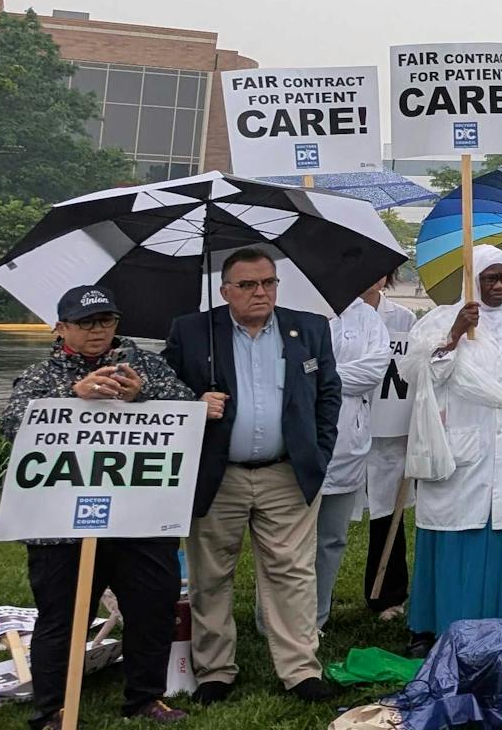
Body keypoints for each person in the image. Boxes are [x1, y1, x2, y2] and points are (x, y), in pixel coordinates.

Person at [7, 287, 195, 726]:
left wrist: (141, 397)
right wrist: (72, 395)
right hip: (61, 524)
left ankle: (146, 698)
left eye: (106, 321)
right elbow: (13, 425)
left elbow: (188, 411)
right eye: (86, 322)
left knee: (152, 608)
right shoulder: (40, 375)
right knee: (62, 616)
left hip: (140, 516)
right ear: (61, 327)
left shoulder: (147, 366)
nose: (98, 331)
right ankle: (52, 707)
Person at [162, 249, 341, 703]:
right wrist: (194, 404)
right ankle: (215, 670)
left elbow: (328, 395)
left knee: (293, 573)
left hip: (287, 473)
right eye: (247, 285)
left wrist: (319, 453)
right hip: (218, 474)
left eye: (268, 282)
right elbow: (164, 392)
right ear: (225, 291)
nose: (260, 292)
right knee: (210, 575)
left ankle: (301, 669)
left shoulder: (309, 328)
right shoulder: (192, 330)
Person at [401, 245, 502, 652]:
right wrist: (454, 334)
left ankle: (493, 629)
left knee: (496, 530)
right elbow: (418, 374)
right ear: (473, 280)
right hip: (460, 449)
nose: (499, 286)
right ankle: (432, 627)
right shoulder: (442, 318)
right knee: (451, 533)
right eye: (490, 278)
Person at [314, 275, 402, 629]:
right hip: (300, 440)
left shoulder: (368, 317)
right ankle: (278, 618)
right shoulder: (301, 310)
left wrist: (317, 374)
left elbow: (374, 371)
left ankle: (317, 619)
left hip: (354, 440)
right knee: (288, 540)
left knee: (333, 538)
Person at [360, 282, 418, 621]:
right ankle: (319, 596)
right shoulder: (332, 317)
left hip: (390, 435)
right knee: (329, 522)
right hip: (346, 430)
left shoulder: (404, 318)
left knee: (387, 516)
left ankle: (388, 595)